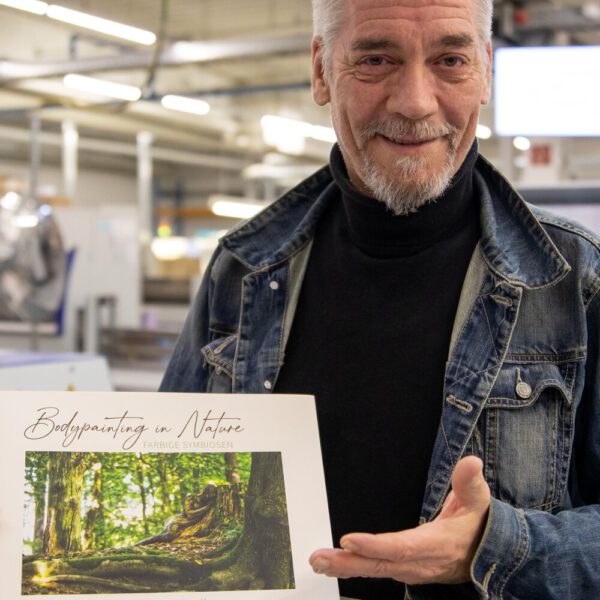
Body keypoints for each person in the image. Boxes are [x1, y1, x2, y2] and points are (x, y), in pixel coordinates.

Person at [160, 0, 600, 597]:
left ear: (485, 72)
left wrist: (494, 549)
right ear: (321, 71)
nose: (415, 102)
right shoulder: (242, 271)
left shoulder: (575, 280)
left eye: (450, 60)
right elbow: (166, 476)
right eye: (375, 59)